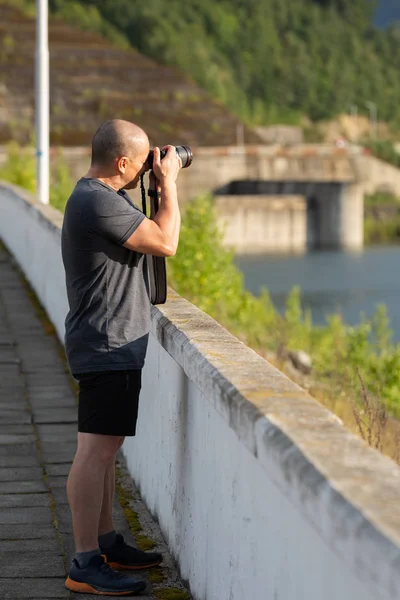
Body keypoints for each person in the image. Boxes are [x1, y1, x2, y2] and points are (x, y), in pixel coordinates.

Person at [61, 119, 182, 595]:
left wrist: (155, 185)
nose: (150, 166)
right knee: (94, 453)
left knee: (106, 451)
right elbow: (165, 242)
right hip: (105, 342)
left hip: (111, 341)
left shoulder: (102, 198)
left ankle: (106, 541)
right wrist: (169, 185)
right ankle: (85, 560)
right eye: (145, 159)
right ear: (123, 162)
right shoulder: (96, 201)